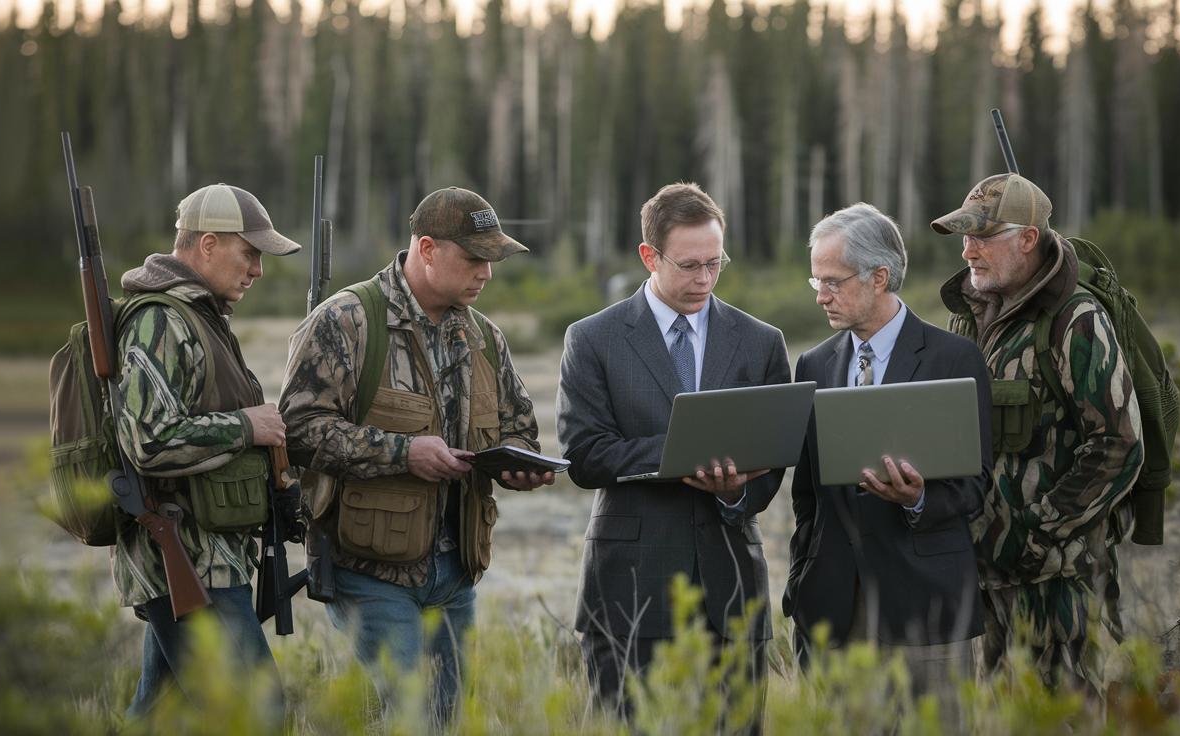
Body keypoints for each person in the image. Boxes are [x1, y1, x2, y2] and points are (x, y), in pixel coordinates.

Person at [278, 186, 554, 726]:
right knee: (410, 718)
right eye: (475, 258)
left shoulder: (484, 337)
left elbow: (522, 428)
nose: (487, 274)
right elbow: (299, 431)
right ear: (427, 249)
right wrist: (404, 453)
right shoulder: (346, 321)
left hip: (456, 571)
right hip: (368, 567)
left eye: (492, 260)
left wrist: (520, 464)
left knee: (450, 718)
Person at [556, 182, 789, 729]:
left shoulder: (761, 341)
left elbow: (777, 455)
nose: (704, 280)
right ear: (649, 256)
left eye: (715, 263)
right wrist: (684, 454)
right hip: (628, 590)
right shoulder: (593, 339)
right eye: (688, 266)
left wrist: (736, 491)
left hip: (731, 589)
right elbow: (585, 455)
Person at [781, 203, 992, 723]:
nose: (821, 296)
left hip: (926, 608)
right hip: (832, 611)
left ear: (880, 277)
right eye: (816, 282)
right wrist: (802, 584)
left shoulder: (954, 359)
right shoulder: (813, 364)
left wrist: (918, 498)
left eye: (833, 282)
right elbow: (807, 497)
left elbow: (976, 484)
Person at [932, 174, 1143, 694]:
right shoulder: (973, 319)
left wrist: (1037, 534)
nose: (968, 251)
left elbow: (1118, 445)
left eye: (982, 237)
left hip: (1056, 584)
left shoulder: (1075, 322)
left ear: (1028, 238)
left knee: (1062, 715)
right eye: (965, 237)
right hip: (983, 580)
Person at [113, 183, 302, 720]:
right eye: (250, 253)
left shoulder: (200, 316)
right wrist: (246, 426)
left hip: (205, 555)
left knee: (157, 715)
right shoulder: (162, 320)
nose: (258, 270)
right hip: (186, 554)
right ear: (209, 245)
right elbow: (148, 440)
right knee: (257, 713)